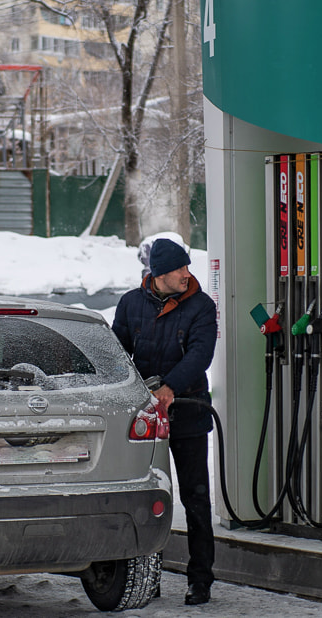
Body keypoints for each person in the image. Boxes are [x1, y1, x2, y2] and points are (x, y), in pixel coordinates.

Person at [112, 237, 217, 606]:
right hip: (144, 419)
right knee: (146, 498)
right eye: (179, 270)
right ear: (158, 274)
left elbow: (201, 354)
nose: (187, 275)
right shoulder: (130, 304)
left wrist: (170, 387)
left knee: (195, 498)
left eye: (188, 267)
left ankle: (201, 578)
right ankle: (147, 577)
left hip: (187, 412)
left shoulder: (201, 306)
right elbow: (118, 351)